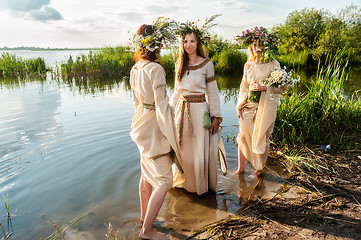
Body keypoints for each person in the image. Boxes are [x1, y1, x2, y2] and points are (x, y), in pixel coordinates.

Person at [129, 20, 183, 240]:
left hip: (140, 121)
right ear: (157, 43)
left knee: (146, 174)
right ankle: (147, 231)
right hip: (154, 125)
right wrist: (170, 132)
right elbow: (161, 105)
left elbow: (135, 101)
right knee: (164, 181)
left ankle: (145, 218)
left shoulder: (136, 68)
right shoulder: (156, 69)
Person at [171, 18, 222, 195]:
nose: (188, 45)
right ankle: (184, 184)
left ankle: (199, 187)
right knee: (183, 149)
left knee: (198, 149)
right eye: (185, 41)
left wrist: (216, 117)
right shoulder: (180, 64)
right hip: (182, 112)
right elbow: (177, 92)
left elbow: (213, 92)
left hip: (200, 111)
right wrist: (169, 113)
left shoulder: (206, 63)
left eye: (192, 41)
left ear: (198, 42)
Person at [233, 26, 283, 178]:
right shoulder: (248, 65)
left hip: (265, 106)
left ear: (266, 46)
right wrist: (239, 106)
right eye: (254, 45)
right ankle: (241, 169)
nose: (257, 48)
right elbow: (243, 88)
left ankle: (259, 169)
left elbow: (280, 87)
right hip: (248, 105)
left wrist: (264, 87)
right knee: (242, 137)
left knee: (261, 137)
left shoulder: (274, 64)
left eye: (260, 45)